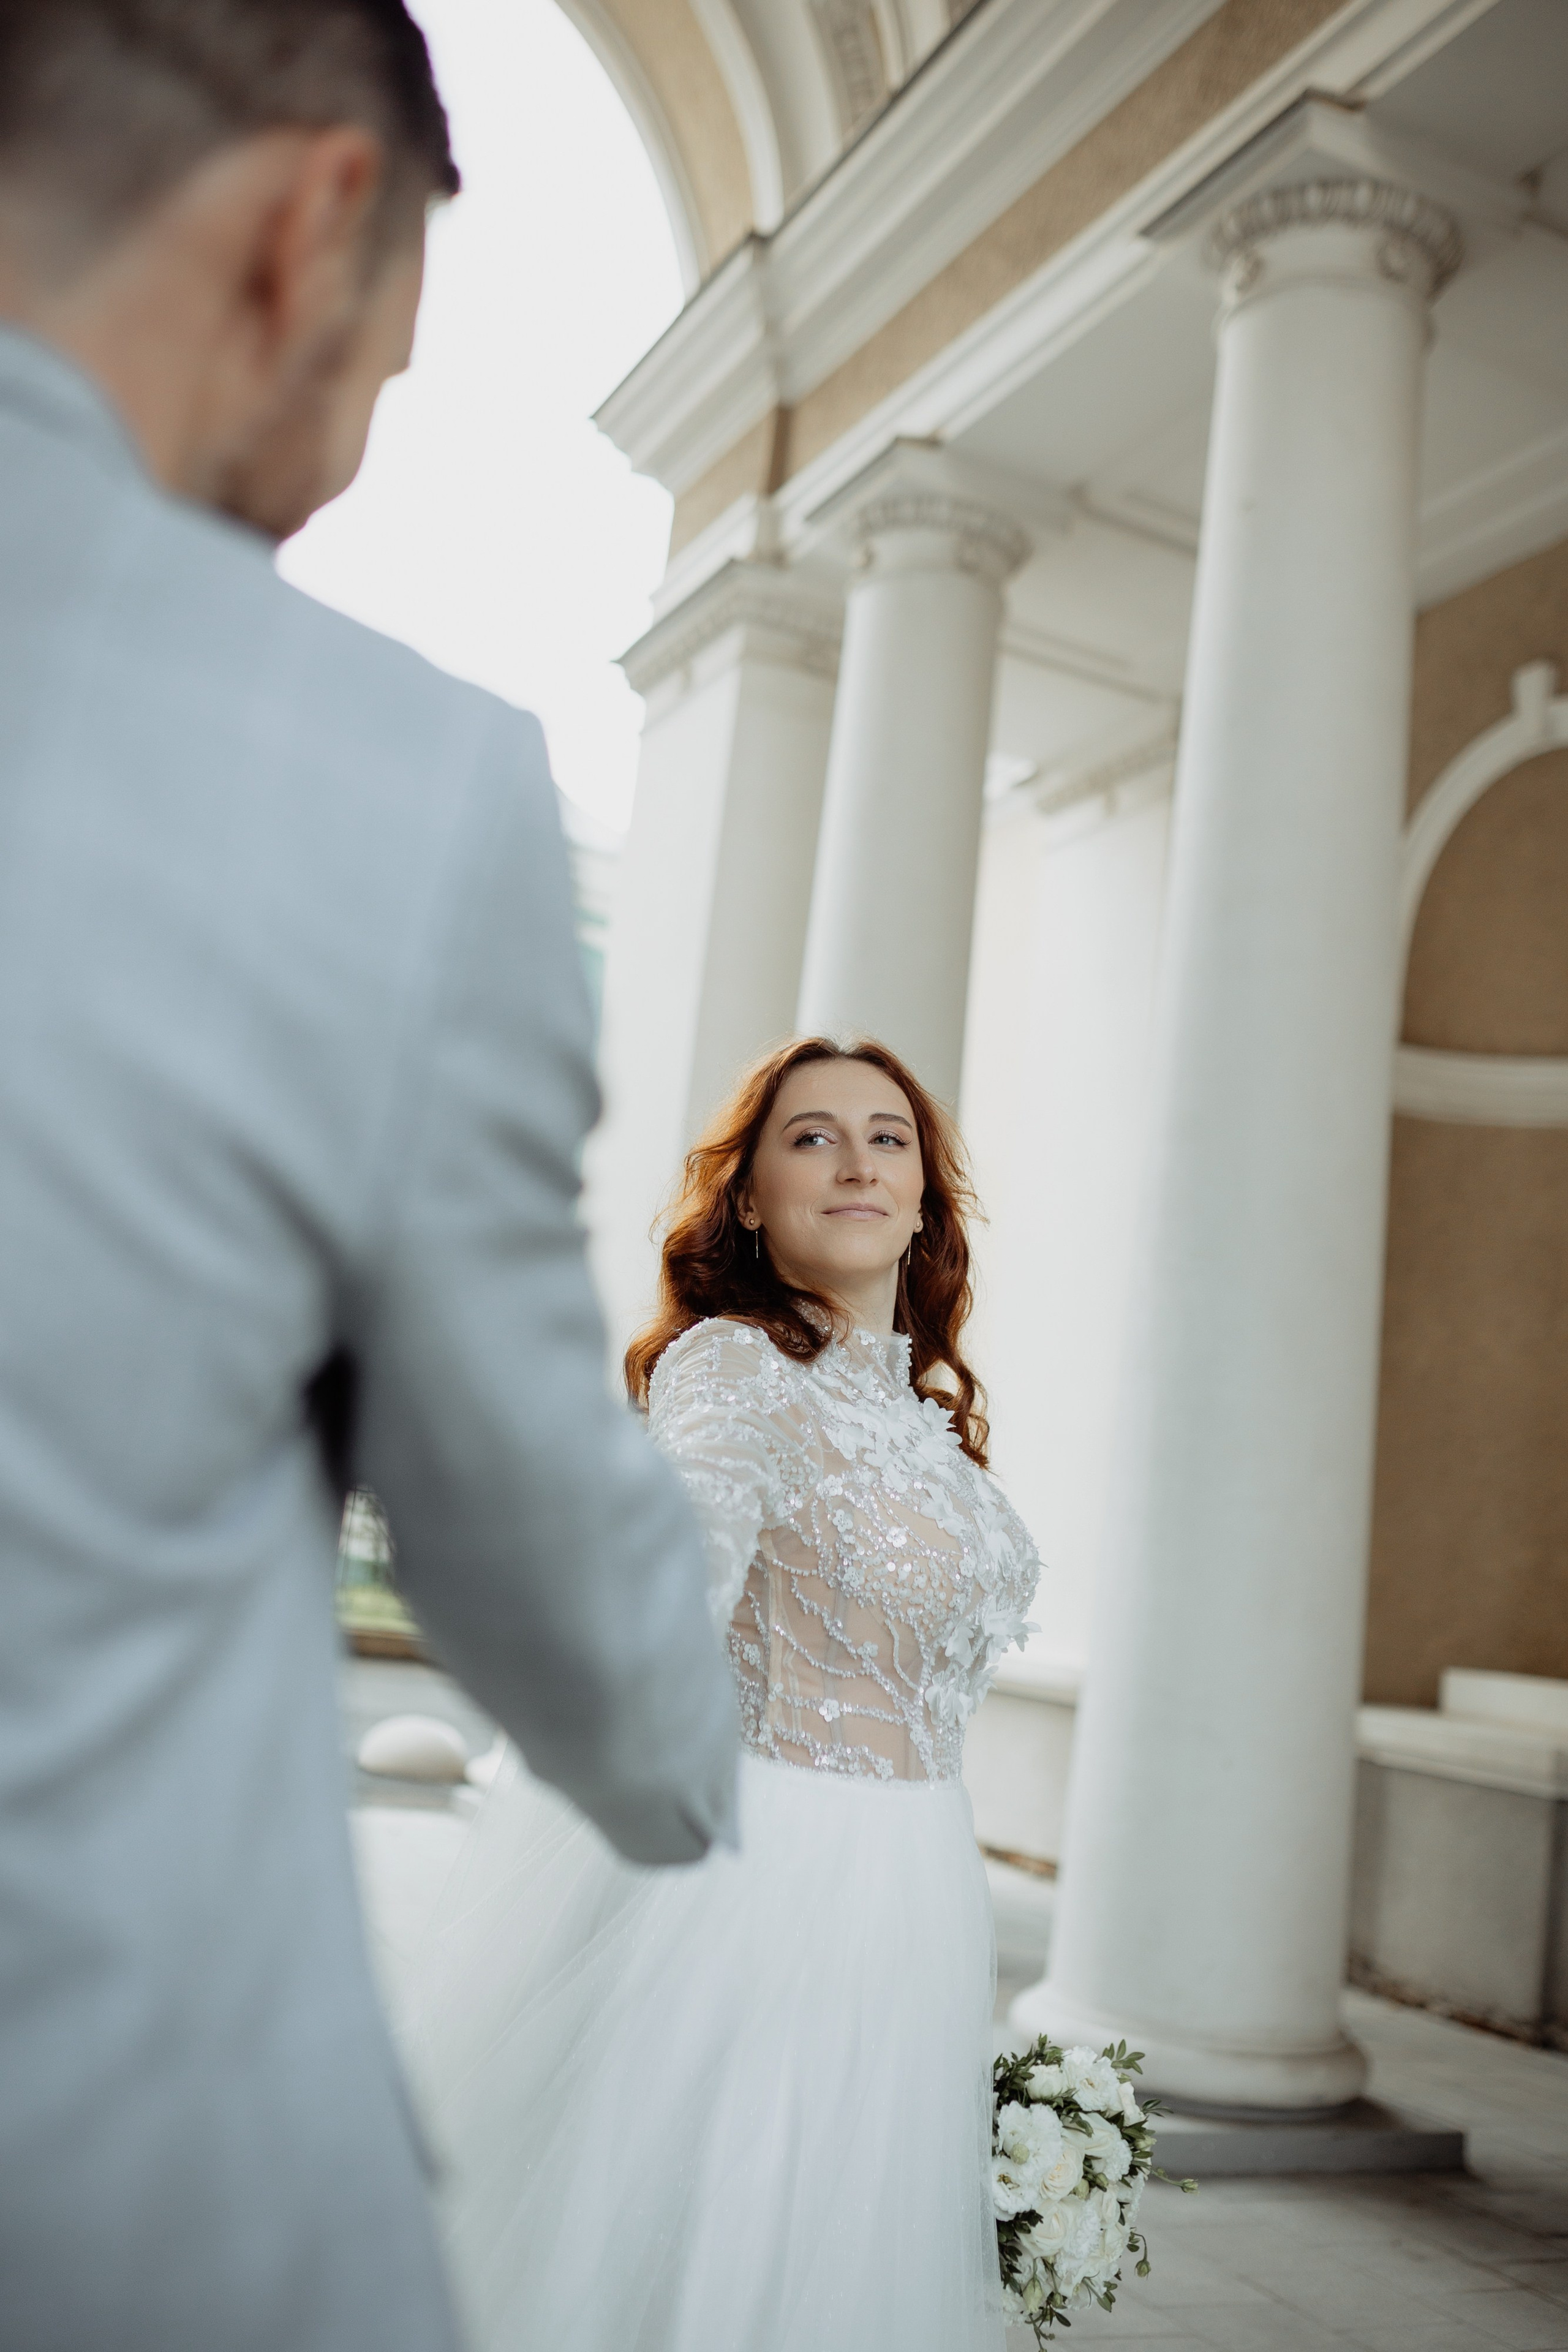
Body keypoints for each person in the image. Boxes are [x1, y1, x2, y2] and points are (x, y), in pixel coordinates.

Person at [0, 7, 736, 2350]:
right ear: (311, 224)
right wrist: (702, 1744)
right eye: (379, 385)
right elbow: (531, 1557)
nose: (319, 485)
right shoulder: (381, 785)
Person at [406, 1038, 1042, 2352]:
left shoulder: (926, 1422)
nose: (858, 1160)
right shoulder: (736, 1372)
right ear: (747, 1200)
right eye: (810, 1137)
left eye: (890, 1138)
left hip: (916, 1885)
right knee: (720, 2242)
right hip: (768, 1882)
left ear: (926, 1198)